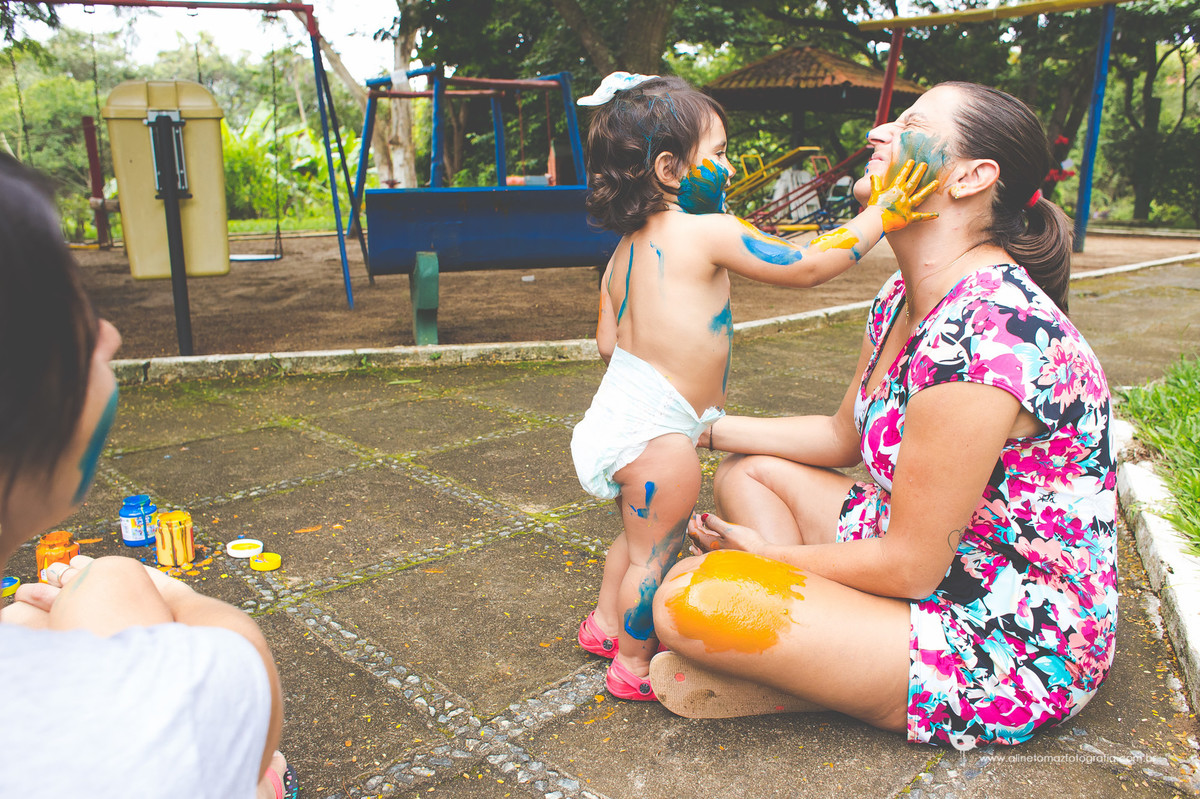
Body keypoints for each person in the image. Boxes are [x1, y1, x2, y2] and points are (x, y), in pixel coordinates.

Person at [648, 82, 1117, 751]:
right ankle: (832, 657)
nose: (878, 133)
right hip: (948, 562)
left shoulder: (989, 334)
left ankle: (830, 664)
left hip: (1006, 633)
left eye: (910, 124)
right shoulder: (905, 293)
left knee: (686, 598)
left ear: (972, 177)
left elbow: (911, 567)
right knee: (749, 474)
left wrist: (770, 559)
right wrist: (693, 427)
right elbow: (842, 436)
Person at [569, 72, 939, 700]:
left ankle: (604, 624)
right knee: (653, 559)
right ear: (668, 169)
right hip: (662, 437)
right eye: (715, 155)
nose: (729, 164)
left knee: (636, 539)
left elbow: (608, 344)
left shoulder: (621, 252)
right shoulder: (707, 231)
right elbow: (808, 265)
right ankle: (631, 664)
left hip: (620, 418)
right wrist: (880, 214)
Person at [0, 154, 295, 798]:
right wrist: (162, 590)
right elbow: (243, 656)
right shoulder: (136, 716)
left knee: (24, 624)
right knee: (110, 574)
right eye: (70, 315)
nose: (107, 334)